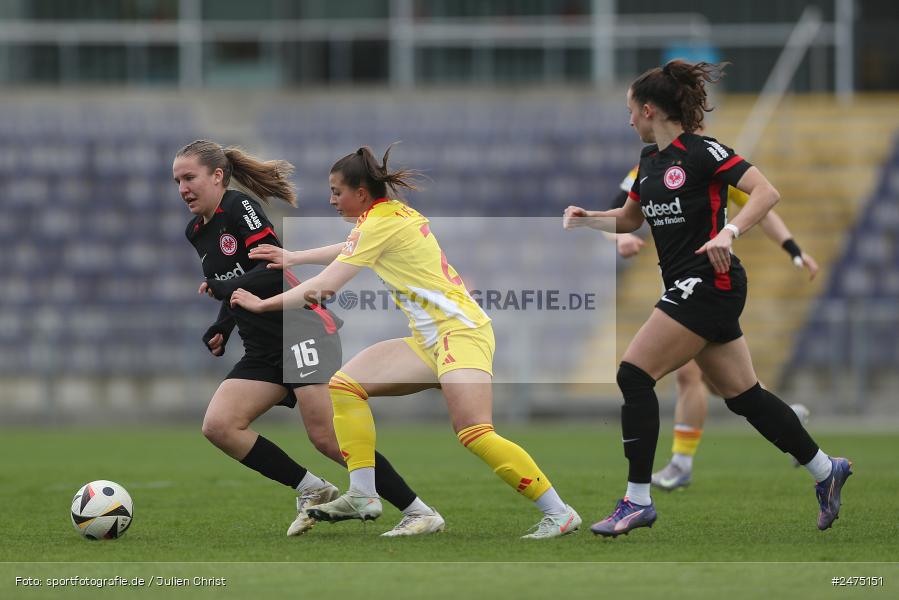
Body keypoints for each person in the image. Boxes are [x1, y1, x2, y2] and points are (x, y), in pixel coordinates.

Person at [231, 145, 581, 539]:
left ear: (361, 193)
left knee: (474, 431)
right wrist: (294, 257)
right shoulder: (385, 217)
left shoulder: (378, 224)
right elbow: (350, 247)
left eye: (336, 191)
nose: (331, 199)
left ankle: (559, 512)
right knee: (346, 385)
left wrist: (263, 305)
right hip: (429, 339)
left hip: (459, 334)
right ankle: (363, 493)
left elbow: (325, 288)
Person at [562, 60, 852, 536]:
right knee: (746, 397)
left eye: (631, 111)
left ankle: (637, 500)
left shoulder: (702, 152)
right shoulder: (649, 166)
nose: (629, 119)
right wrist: (588, 217)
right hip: (690, 285)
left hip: (708, 281)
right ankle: (826, 470)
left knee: (634, 374)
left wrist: (730, 232)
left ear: (650, 109)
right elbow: (632, 220)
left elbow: (766, 192)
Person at [174, 140, 444, 538]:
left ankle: (419, 512)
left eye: (189, 178)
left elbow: (271, 269)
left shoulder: (238, 207)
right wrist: (223, 324)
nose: (182, 188)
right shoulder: (196, 230)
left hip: (300, 332)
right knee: (220, 425)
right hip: (262, 346)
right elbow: (236, 283)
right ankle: (312, 489)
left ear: (217, 176)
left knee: (327, 438)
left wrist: (219, 289)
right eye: (177, 180)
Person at [606, 160, 820, 491]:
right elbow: (617, 213)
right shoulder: (646, 167)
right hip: (679, 284)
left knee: (686, 374)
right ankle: (788, 419)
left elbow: (761, 206)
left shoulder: (707, 161)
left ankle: (681, 464)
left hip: (707, 284)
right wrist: (618, 239)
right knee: (730, 387)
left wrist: (792, 249)